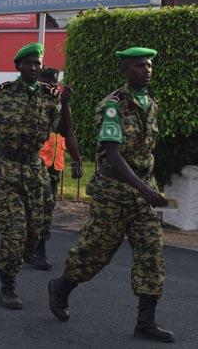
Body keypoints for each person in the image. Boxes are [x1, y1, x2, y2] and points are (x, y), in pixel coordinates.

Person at [48, 47, 174, 343]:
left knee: (152, 253)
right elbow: (113, 155)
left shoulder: (151, 103)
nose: (147, 70)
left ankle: (145, 321)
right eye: (139, 66)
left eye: (149, 65)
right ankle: (61, 287)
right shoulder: (112, 106)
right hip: (114, 193)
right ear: (125, 71)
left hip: (143, 192)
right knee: (95, 253)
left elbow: (146, 151)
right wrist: (144, 189)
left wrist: (149, 186)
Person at [0, 42, 73, 310]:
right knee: (15, 230)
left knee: (37, 229)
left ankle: (7, 256)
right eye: (28, 63)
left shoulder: (49, 96)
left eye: (37, 64)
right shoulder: (2, 94)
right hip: (5, 169)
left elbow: (63, 130)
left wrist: (65, 105)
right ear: (18, 67)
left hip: (34, 170)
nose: (33, 68)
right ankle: (8, 286)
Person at [27, 67, 83, 270]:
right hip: (34, 163)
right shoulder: (32, 101)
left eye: (53, 82)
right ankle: (34, 250)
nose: (50, 85)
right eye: (46, 81)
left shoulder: (59, 104)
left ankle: (29, 248)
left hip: (54, 164)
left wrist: (76, 160)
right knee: (41, 206)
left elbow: (68, 133)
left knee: (45, 207)